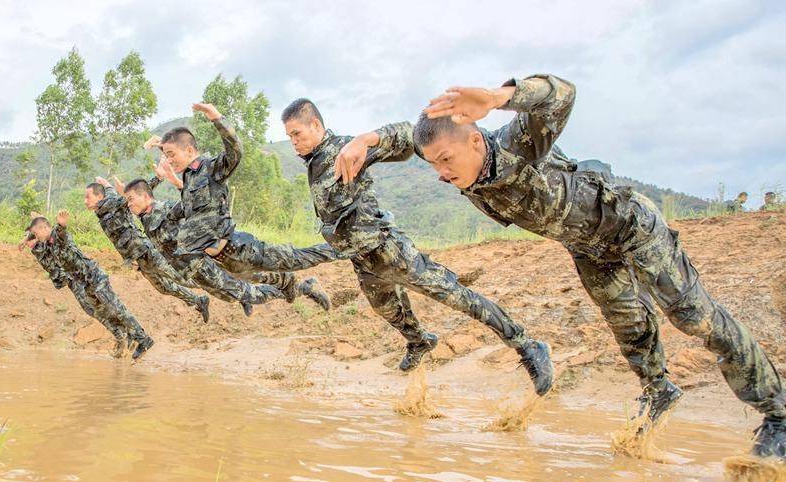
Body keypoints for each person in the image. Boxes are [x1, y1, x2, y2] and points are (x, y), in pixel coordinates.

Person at [340, 72, 785, 458]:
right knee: (630, 329)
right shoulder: (457, 158)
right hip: (589, 248)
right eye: (434, 163)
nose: (440, 172)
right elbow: (411, 135)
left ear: (476, 139)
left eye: (446, 161)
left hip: (630, 226)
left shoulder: (516, 146)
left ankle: (777, 416)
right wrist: (367, 139)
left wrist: (500, 97)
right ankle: (658, 391)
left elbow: (562, 94)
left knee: (695, 318)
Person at [280, 98, 553, 395]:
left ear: (316, 125)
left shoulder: (342, 149)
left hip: (392, 252)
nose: (293, 142)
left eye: (297, 133)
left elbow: (409, 136)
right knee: (388, 310)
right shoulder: (315, 164)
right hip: (363, 261)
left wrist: (364, 139)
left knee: (460, 298)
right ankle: (420, 341)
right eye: (289, 137)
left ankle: (527, 346)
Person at [155, 103, 343, 281]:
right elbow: (194, 207)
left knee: (293, 259)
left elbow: (235, 151)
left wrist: (216, 118)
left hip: (238, 248)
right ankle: (298, 285)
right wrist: (171, 174)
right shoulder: (190, 177)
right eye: (166, 155)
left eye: (171, 154)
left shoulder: (210, 167)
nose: (169, 160)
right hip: (223, 260)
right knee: (261, 280)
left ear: (188, 150)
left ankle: (340, 249)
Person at [119, 178, 286, 316]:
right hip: (193, 271)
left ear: (146, 197)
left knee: (247, 286)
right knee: (232, 295)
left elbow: (193, 203)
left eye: (131, 199)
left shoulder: (165, 209)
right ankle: (270, 289)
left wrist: (174, 179)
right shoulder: (145, 218)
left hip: (206, 261)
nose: (129, 205)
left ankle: (293, 288)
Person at [26, 213, 154, 359]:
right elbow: (46, 259)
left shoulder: (56, 237)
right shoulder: (47, 245)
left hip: (94, 276)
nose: (36, 237)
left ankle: (143, 339)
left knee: (116, 308)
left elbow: (61, 233)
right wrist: (29, 238)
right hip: (84, 283)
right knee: (100, 313)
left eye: (36, 233)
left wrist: (61, 225)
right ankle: (127, 336)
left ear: (44, 229)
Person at [84, 178, 210, 322]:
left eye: (88, 197)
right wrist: (106, 184)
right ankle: (199, 301)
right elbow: (112, 191)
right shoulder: (102, 211)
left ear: (100, 197)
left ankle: (216, 282)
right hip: (138, 257)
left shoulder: (113, 204)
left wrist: (158, 178)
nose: (85, 201)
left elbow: (139, 192)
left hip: (145, 251)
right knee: (164, 287)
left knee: (179, 277)